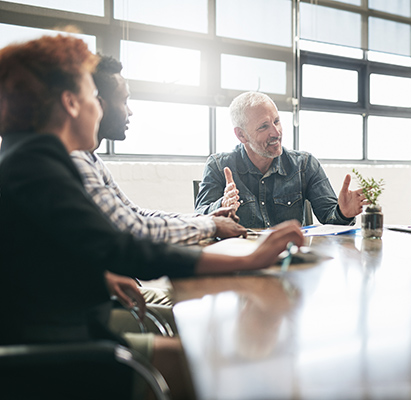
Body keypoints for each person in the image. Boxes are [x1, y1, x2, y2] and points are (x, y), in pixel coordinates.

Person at [0, 34, 303, 399]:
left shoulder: (27, 156)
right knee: (203, 360)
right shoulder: (38, 164)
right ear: (71, 103)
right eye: (92, 96)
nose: (100, 106)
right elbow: (124, 245)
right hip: (53, 351)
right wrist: (251, 257)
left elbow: (57, 246)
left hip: (60, 330)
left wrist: (100, 274)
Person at [71, 55, 246, 245]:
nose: (130, 111)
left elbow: (135, 213)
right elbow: (134, 229)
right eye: (123, 101)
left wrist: (205, 219)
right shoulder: (76, 159)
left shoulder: (92, 160)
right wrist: (211, 226)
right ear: (97, 104)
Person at [194, 91, 367, 229]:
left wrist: (344, 213)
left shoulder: (305, 164)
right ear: (241, 135)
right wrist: (222, 205)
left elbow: (331, 219)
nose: (276, 133)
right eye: (264, 126)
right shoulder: (218, 166)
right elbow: (199, 219)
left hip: (294, 260)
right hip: (245, 261)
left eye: (276, 121)